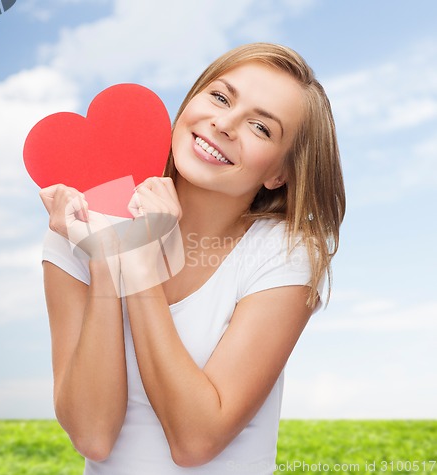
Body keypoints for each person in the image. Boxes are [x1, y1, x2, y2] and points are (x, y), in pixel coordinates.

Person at [39, 42, 346, 475]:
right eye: (220, 97)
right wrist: (106, 260)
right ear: (190, 101)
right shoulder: (78, 222)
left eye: (260, 128)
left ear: (279, 173)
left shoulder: (286, 252)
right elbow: (93, 436)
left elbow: (195, 440)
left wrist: (141, 263)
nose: (224, 124)